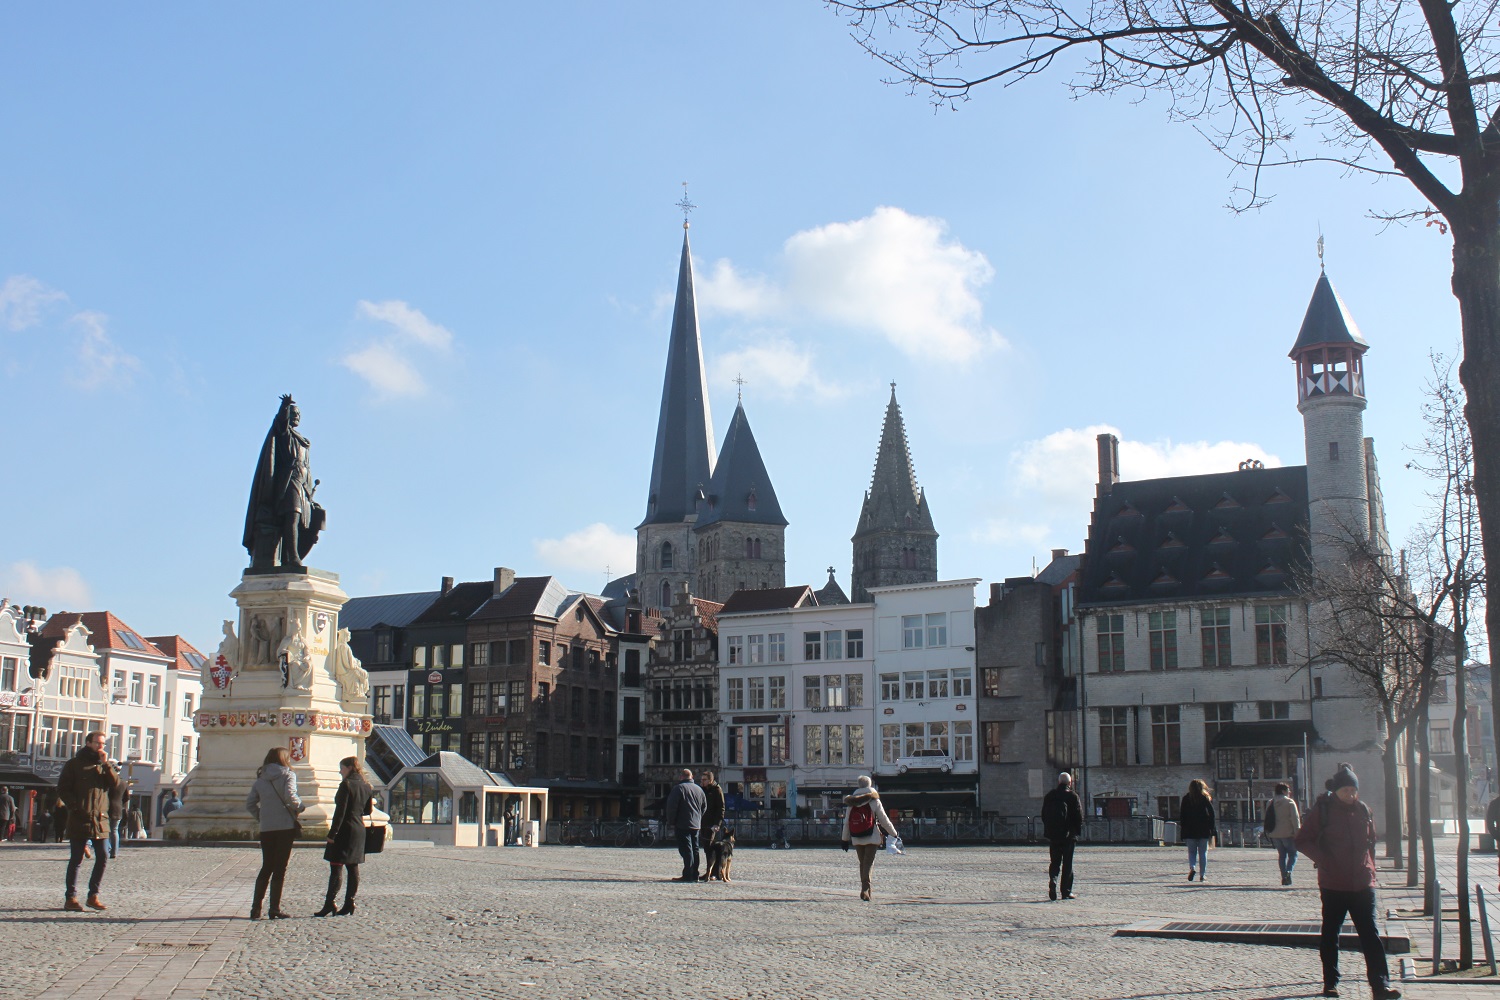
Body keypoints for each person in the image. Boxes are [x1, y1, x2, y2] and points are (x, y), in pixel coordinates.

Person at [1295, 764, 1401, 1000]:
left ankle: (1380, 986)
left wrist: (1370, 870)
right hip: (1333, 883)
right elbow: (1302, 840)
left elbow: (1371, 842)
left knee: (1371, 936)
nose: (1350, 795)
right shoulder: (1323, 811)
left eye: (1353, 791)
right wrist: (1324, 860)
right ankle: (1330, 983)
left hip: (1362, 883)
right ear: (1336, 791)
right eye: (1346, 791)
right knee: (1331, 934)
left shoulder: (1364, 810)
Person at [56, 731, 119, 912]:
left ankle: (93, 895)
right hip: (79, 818)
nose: (101, 747)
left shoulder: (104, 766)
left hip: (100, 819)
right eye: (98, 743)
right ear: (88, 743)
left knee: (103, 856)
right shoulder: (74, 765)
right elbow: (63, 788)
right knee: (76, 859)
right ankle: (71, 898)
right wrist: (74, 807)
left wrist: (106, 764)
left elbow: (115, 784)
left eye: (103, 744)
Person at [245, 746, 304, 920]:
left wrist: (262, 816)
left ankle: (256, 908)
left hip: (267, 828)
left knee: (266, 866)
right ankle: (274, 908)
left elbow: (250, 804)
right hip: (285, 826)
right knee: (280, 868)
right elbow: (290, 796)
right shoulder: (288, 775)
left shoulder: (261, 779)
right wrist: (300, 807)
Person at [316, 756, 373, 917]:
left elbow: (339, 812)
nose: (340, 771)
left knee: (336, 866)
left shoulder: (346, 785)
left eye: (342, 768)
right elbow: (368, 810)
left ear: (349, 768)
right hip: (359, 829)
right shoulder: (366, 785)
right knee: (353, 867)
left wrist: (332, 834)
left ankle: (330, 903)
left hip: (344, 830)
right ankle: (350, 901)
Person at [841, 775, 899, 902]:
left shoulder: (851, 802)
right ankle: (866, 889)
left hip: (856, 837)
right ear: (870, 785)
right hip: (872, 836)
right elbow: (884, 819)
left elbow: (846, 822)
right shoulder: (874, 800)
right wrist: (894, 833)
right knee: (868, 862)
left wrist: (844, 839)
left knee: (863, 863)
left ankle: (865, 889)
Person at [1041, 771, 1083, 901]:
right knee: (1067, 864)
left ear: (1059, 782)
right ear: (1070, 783)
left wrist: (1050, 830)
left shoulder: (1050, 796)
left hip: (1054, 836)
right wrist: (1076, 832)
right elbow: (1079, 816)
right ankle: (1066, 891)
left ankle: (1053, 880)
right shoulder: (1073, 796)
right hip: (1068, 836)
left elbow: (1043, 815)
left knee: (1055, 862)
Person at [663, 768, 707, 882]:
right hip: (696, 824)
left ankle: (688, 874)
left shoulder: (678, 789)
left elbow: (671, 807)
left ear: (681, 777)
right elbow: (704, 806)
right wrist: (698, 817)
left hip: (682, 824)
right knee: (695, 849)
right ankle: (695, 874)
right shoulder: (699, 789)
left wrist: (672, 821)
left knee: (686, 849)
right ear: (691, 777)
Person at [1265, 781, 1303, 886]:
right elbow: (1295, 819)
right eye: (1288, 790)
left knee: (1282, 855)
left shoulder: (1270, 802)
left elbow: (1267, 818)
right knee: (1293, 854)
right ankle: (1288, 872)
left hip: (1275, 834)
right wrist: (1297, 832)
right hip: (1288, 834)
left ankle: (1283, 876)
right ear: (1283, 791)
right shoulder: (1290, 802)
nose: (1289, 792)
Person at [1180, 779, 1217, 883]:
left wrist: (1183, 830)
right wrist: (1211, 828)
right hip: (1203, 829)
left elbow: (1182, 816)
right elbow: (1211, 814)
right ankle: (1202, 875)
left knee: (1191, 852)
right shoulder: (1204, 798)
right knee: (1203, 853)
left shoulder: (1186, 799)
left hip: (1189, 829)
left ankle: (1192, 867)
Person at [699, 771, 726, 882]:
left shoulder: (716, 790)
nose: (702, 782)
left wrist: (717, 823)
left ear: (710, 780)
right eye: (701, 780)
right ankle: (709, 872)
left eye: (704, 780)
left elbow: (721, 808)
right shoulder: (703, 790)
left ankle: (714, 873)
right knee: (707, 848)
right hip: (703, 823)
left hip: (712, 824)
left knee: (711, 849)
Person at [107, 774, 127, 860]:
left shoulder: (108, 782)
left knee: (106, 831)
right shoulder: (123, 783)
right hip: (118, 808)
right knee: (115, 830)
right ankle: (114, 852)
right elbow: (126, 798)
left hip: (107, 808)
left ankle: (107, 849)